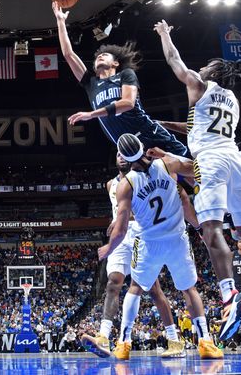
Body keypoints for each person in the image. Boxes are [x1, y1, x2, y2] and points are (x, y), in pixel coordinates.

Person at [154, 20, 241, 340]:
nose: (202, 66)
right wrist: (164, 124)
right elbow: (198, 127)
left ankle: (230, 298)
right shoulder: (232, 101)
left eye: (207, 65)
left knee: (210, 227)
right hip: (236, 159)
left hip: (210, 161)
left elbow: (175, 62)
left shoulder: (199, 84)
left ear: (212, 73)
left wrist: (165, 34)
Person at [98, 133, 224, 360]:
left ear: (125, 157)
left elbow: (122, 227)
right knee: (188, 289)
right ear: (143, 147)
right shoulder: (167, 164)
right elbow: (194, 173)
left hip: (149, 242)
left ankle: (123, 343)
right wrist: (200, 228)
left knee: (135, 287)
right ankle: (206, 342)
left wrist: (108, 248)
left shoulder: (126, 185)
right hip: (177, 239)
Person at [81, 153, 189, 360]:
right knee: (113, 282)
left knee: (154, 289)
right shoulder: (110, 184)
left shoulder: (140, 177)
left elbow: (144, 206)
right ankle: (103, 337)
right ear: (114, 159)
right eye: (118, 154)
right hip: (120, 237)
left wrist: (123, 218)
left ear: (132, 157)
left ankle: (174, 339)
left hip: (142, 232)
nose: (121, 158)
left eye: (125, 154)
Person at [53, 2, 187, 155]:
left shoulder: (125, 74)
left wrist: (91, 114)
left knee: (186, 173)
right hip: (127, 148)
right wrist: (61, 21)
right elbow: (68, 55)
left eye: (104, 55)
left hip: (150, 135)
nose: (100, 57)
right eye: (97, 57)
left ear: (115, 63)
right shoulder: (91, 83)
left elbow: (128, 103)